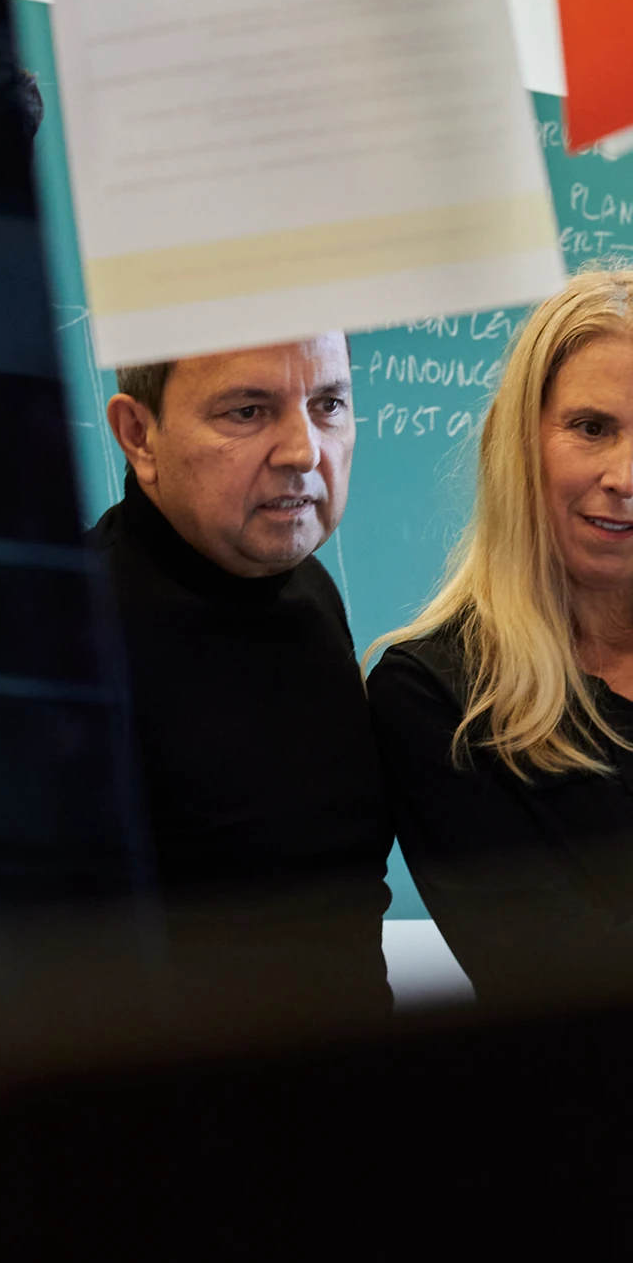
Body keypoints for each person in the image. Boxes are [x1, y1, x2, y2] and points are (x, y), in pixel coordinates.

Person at [366, 268, 633, 1007]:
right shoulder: (437, 692)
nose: (625, 478)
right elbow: (560, 965)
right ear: (519, 440)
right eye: (591, 428)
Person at [94, 334, 393, 1010]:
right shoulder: (67, 641)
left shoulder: (309, 589)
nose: (304, 450)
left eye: (329, 404)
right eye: (247, 412)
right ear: (139, 435)